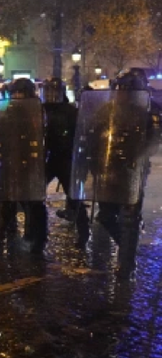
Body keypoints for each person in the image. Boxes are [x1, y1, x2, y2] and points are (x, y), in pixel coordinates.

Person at [73, 68, 159, 278]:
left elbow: (154, 141)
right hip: (109, 168)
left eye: (127, 90)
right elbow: (94, 133)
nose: (122, 94)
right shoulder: (107, 109)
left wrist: (138, 155)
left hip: (133, 169)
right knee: (105, 215)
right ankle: (128, 246)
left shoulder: (150, 110)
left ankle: (126, 265)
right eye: (119, 90)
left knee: (129, 217)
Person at [0, 78, 47, 254]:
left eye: (21, 92)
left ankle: (34, 240)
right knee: (2, 201)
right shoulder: (7, 112)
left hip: (29, 164)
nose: (18, 96)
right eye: (15, 93)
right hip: (8, 161)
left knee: (31, 203)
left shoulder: (38, 112)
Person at [42, 77, 88, 245]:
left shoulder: (70, 111)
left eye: (54, 91)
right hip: (45, 157)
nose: (51, 95)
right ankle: (38, 232)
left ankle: (84, 232)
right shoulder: (39, 109)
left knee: (74, 196)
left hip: (64, 158)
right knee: (34, 195)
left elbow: (79, 134)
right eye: (48, 91)